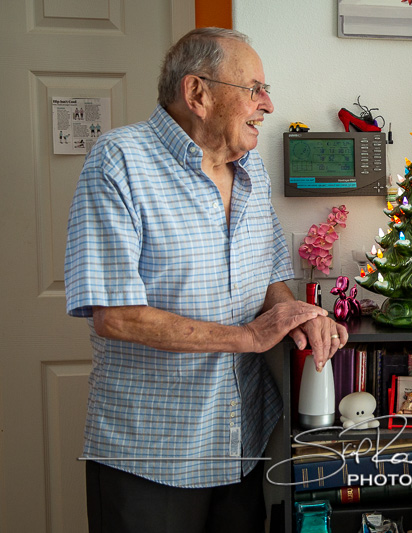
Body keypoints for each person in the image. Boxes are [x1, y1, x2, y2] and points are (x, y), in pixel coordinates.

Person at [64, 27, 348, 532]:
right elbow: (116, 316)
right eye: (254, 89)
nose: (267, 104)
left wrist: (298, 316)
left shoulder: (253, 170)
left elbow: (270, 279)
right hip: (152, 454)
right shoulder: (119, 161)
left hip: (242, 443)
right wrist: (247, 337)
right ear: (198, 93)